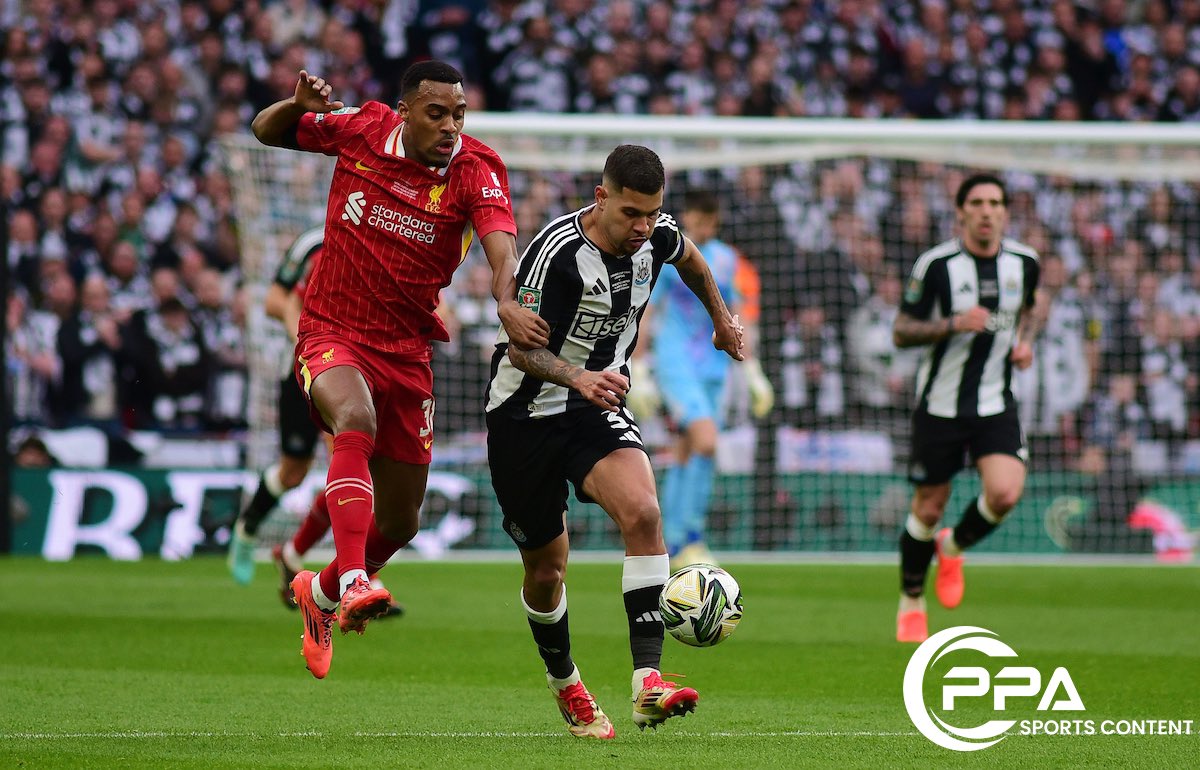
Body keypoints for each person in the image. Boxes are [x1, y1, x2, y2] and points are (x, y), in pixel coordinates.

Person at [251, 61, 549, 679]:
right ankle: (354, 581)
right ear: (406, 111)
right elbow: (265, 130)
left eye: (458, 114)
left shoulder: (477, 168)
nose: (450, 126)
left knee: (401, 521)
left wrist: (507, 300)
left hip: (408, 351)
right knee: (353, 419)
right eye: (436, 113)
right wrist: (296, 105)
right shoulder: (363, 129)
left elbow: (501, 249)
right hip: (331, 330)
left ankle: (320, 592)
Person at [485, 145, 744, 739]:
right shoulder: (556, 253)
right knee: (547, 571)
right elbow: (521, 350)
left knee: (644, 512)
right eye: (631, 213)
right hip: (524, 415)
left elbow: (693, 261)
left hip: (594, 406)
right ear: (601, 198)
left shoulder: (658, 235)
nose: (644, 227)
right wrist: (577, 376)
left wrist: (720, 319)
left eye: (652, 213)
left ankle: (648, 684)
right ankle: (565, 682)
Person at [892, 173, 1043, 644]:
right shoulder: (936, 265)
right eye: (976, 203)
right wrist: (953, 323)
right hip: (940, 405)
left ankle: (953, 546)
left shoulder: (1025, 262)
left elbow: (1033, 307)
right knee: (928, 506)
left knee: (1005, 494)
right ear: (961, 212)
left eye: (995, 203)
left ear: (1005, 212)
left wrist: (1026, 342)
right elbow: (901, 331)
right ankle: (911, 599)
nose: (986, 211)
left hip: (995, 401)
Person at [225, 226, 402, 618]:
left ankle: (348, 573)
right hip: (306, 366)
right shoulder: (315, 243)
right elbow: (275, 300)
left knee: (350, 460)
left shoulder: (384, 240)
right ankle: (250, 530)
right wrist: (305, 339)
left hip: (351, 370)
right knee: (294, 472)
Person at [646, 190, 770, 570]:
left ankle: (672, 539)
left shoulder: (727, 259)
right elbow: (647, 310)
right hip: (676, 361)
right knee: (706, 440)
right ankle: (690, 538)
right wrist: (639, 366)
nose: (700, 228)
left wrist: (752, 370)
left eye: (707, 222)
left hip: (715, 367)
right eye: (695, 221)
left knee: (690, 449)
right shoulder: (669, 254)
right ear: (686, 217)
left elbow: (736, 312)